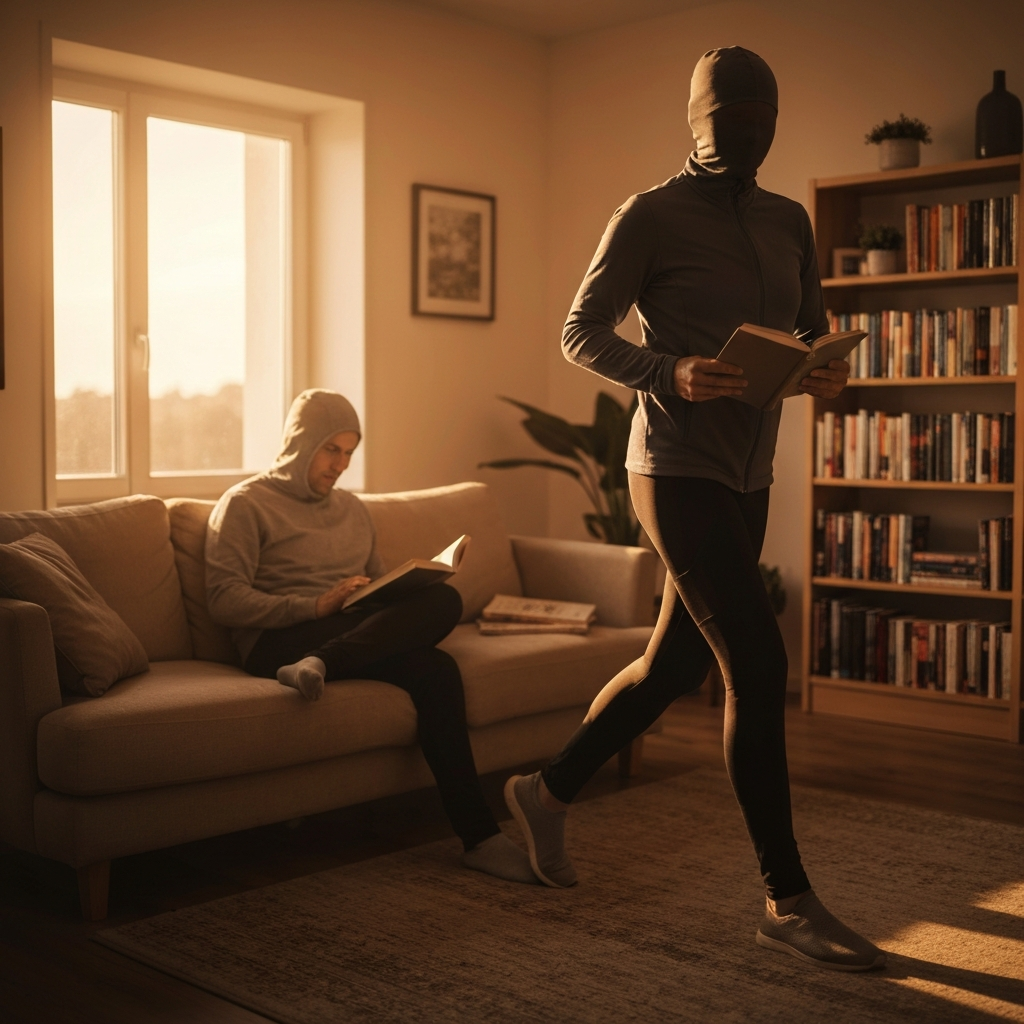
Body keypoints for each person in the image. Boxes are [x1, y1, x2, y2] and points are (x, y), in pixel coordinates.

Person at [503, 47, 886, 970]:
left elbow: (802, 333)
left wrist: (820, 373)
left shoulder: (790, 220)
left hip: (750, 474)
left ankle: (545, 793)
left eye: (765, 123)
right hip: (671, 469)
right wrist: (666, 370)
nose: (750, 137)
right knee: (757, 664)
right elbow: (578, 332)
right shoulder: (648, 216)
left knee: (671, 663)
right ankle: (785, 899)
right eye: (731, 123)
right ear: (697, 123)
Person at [205, 388, 535, 885]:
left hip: (343, 632)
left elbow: (379, 582)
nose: (341, 464)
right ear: (300, 443)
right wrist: (315, 604)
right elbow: (224, 599)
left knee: (442, 623)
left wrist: (380, 590)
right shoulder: (246, 504)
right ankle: (318, 659)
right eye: (331, 449)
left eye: (349, 452)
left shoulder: (353, 510)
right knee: (435, 649)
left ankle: (480, 838)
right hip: (276, 641)